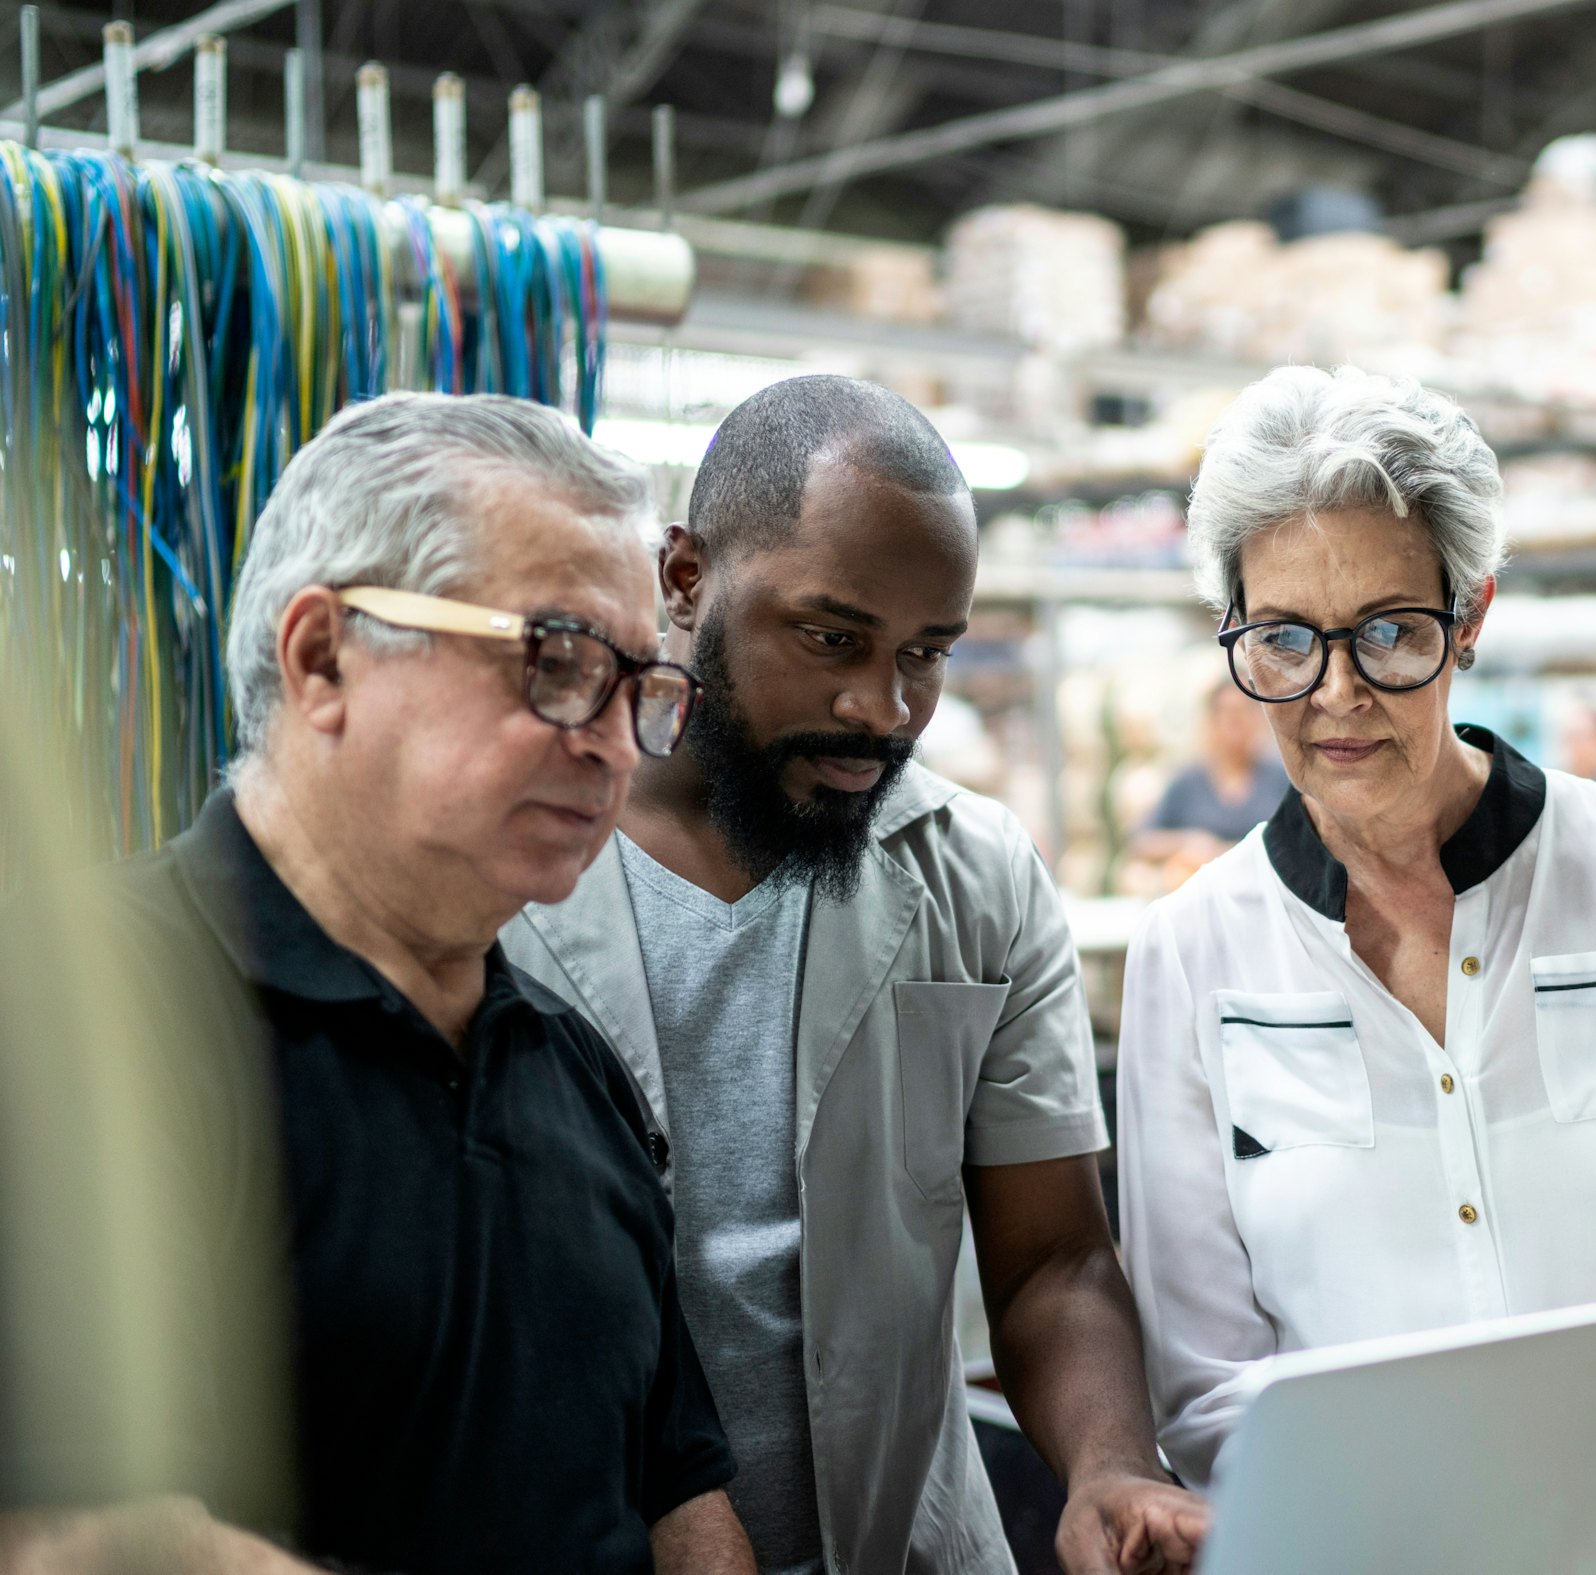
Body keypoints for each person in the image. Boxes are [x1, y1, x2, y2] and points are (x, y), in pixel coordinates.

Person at [0, 394, 753, 1574]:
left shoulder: (575, 1072)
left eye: (639, 693)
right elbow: (69, 1537)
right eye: (558, 664)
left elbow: (679, 1489)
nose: (613, 744)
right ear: (322, 658)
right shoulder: (66, 1018)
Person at [504, 376, 1208, 1575]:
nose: (881, 709)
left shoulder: (973, 874)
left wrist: (1109, 1463)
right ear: (684, 578)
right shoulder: (508, 864)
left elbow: (1053, 1258)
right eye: (831, 638)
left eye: (925, 654)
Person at [1113, 366, 1596, 1487]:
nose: (1336, 693)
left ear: (1471, 614)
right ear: (1232, 631)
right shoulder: (1193, 952)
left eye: (1389, 632)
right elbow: (1205, 1383)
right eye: (1285, 641)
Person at [1130, 684, 1293, 872]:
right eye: (1228, 713)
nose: (1236, 722)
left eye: (1245, 711)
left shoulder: (1280, 777)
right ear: (1211, 720)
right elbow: (1141, 841)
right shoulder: (1187, 781)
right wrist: (1188, 842)